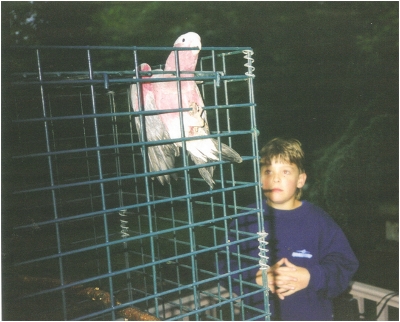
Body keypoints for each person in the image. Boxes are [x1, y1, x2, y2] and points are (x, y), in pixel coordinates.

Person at [218, 137, 359, 320]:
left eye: (285, 171)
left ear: (300, 180)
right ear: (260, 179)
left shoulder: (319, 221)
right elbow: (223, 262)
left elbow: (344, 264)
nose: (276, 178)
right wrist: (254, 278)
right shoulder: (246, 219)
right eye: (268, 171)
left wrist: (311, 276)